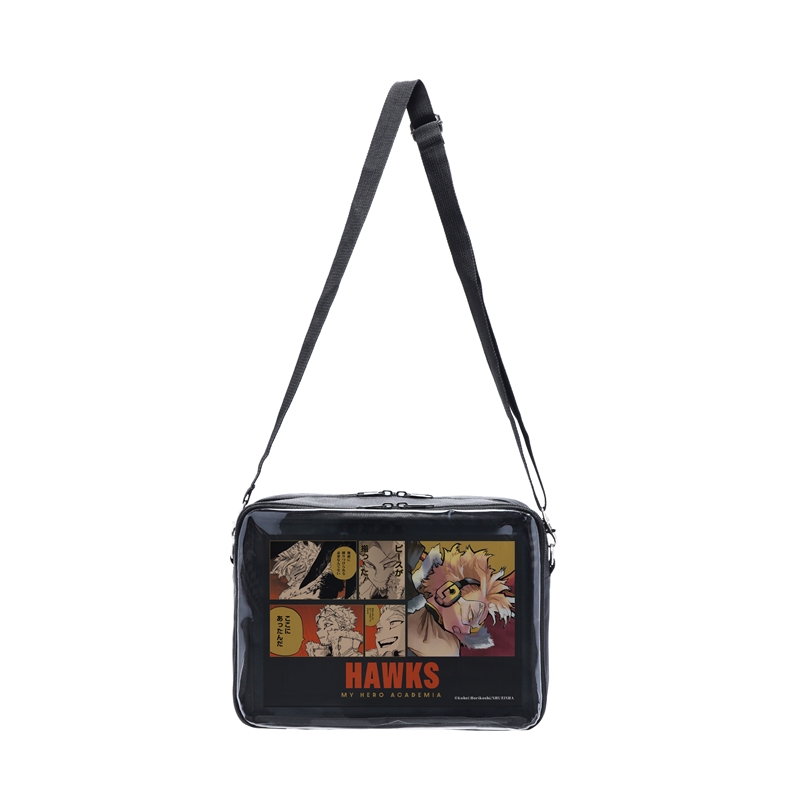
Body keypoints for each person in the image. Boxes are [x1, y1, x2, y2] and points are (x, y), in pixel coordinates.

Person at [406, 543, 513, 657]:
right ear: (448, 592)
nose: (466, 631)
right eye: (471, 616)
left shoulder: (447, 648)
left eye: (472, 628)